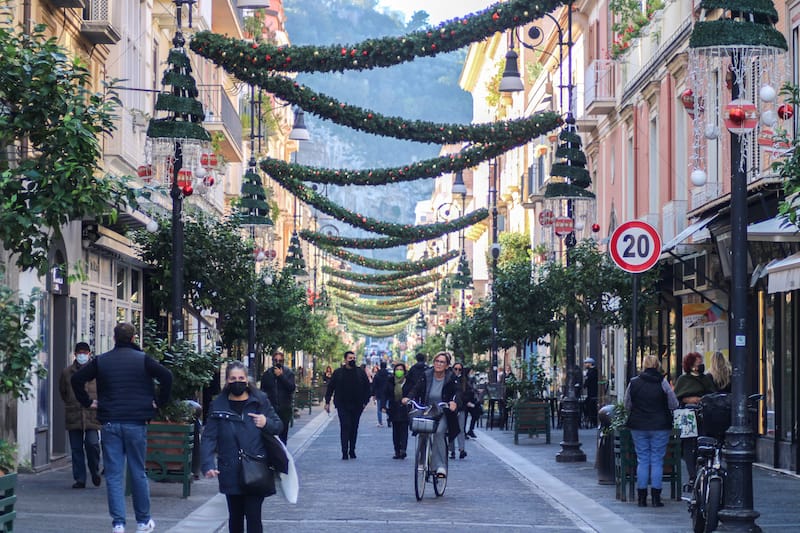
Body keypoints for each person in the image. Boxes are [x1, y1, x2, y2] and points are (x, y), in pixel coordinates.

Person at [71, 322, 172, 533]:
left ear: (114, 339)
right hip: (136, 422)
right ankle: (143, 521)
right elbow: (166, 376)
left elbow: (77, 378)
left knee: (114, 475)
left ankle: (118, 523)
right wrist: (159, 402)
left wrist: (88, 402)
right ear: (134, 338)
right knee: (138, 472)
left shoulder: (102, 361)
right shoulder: (143, 360)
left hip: (110, 422)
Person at [201, 361, 283, 533]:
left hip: (256, 468)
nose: (237, 381)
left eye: (241, 378)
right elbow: (209, 437)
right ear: (227, 381)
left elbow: (278, 425)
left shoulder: (260, 401)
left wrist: (265, 422)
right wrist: (208, 464)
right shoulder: (218, 405)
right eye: (233, 378)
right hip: (230, 468)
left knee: (254, 517)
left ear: (247, 380)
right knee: (235, 517)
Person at [624, 354, 679, 507]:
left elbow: (627, 404)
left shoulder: (634, 383)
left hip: (639, 425)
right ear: (657, 366)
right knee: (656, 460)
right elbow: (673, 403)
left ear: (643, 365)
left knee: (642, 459)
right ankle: (656, 497)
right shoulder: (663, 382)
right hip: (660, 425)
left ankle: (641, 497)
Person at [402, 351, 460, 478]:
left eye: (442, 362)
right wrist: (408, 398)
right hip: (427, 410)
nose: (439, 364)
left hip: (442, 411)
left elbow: (457, 392)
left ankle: (440, 466)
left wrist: (453, 402)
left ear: (447, 365)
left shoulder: (451, 378)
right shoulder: (426, 375)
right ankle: (422, 460)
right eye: (437, 361)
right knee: (423, 431)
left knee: (439, 432)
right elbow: (416, 389)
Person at [59, 342, 102, 489]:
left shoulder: (96, 371)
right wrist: (71, 402)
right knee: (76, 448)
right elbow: (63, 392)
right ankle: (80, 479)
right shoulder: (67, 372)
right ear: (75, 354)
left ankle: (94, 470)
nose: (82, 355)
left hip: (92, 413)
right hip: (74, 413)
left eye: (85, 352)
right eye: (79, 352)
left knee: (92, 444)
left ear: (89, 354)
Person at [673, 352, 716, 483]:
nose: (701, 364)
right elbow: (678, 397)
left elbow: (712, 394)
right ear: (691, 365)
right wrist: (690, 399)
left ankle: (701, 471)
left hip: (703, 414)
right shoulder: (683, 379)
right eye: (698, 362)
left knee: (702, 442)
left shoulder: (706, 379)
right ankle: (692, 474)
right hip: (688, 416)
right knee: (688, 445)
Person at [324, 350, 371, 460]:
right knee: (345, 426)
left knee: (354, 428)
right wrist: (327, 402)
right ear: (345, 360)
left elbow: (367, 388)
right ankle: (344, 451)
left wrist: (365, 402)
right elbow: (331, 387)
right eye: (350, 358)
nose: (352, 360)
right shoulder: (338, 373)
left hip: (357, 405)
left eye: (354, 358)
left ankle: (352, 450)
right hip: (342, 404)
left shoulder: (360, 372)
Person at [259, 351, 295, 444]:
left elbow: (291, 388)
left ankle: (282, 456)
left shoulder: (288, 373)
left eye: (280, 360)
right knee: (272, 437)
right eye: (276, 360)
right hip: (271, 410)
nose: (278, 362)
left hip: (284, 409)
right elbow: (263, 391)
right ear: (272, 361)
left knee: (283, 437)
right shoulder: (267, 374)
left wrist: (281, 376)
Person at [385, 362, 413, 459]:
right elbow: (386, 393)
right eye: (397, 370)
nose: (399, 372)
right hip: (394, 409)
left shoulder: (409, 382)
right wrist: (384, 406)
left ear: (404, 371)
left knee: (404, 430)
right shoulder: (390, 381)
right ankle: (397, 450)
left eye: (401, 370)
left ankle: (403, 450)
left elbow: (412, 393)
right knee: (396, 431)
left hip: (405, 409)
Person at [448, 362, 473, 459]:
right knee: (451, 429)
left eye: (459, 369)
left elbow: (468, 393)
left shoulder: (464, 381)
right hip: (451, 408)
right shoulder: (449, 379)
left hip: (461, 408)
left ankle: (462, 449)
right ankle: (451, 450)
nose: (457, 371)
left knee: (461, 429)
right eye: (455, 369)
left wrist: (464, 401)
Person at [371, 360, 390, 427]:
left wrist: (373, 394)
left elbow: (374, 385)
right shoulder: (389, 374)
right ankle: (389, 420)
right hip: (388, 393)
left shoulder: (377, 375)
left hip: (379, 393)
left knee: (379, 408)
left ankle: (380, 422)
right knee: (388, 407)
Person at [583, 357, 599, 428]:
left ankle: (592, 420)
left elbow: (587, 382)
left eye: (586, 363)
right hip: (592, 392)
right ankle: (592, 420)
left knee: (589, 406)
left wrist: (584, 385)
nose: (585, 364)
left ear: (590, 363)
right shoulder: (594, 371)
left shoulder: (591, 372)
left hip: (592, 393)